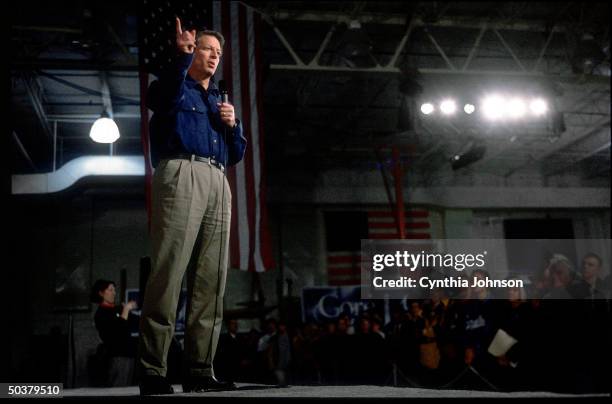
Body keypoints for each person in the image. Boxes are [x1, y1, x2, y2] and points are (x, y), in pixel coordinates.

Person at [138, 17, 247, 396]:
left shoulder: (219, 99)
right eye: (207, 49)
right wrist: (180, 58)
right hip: (181, 171)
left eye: (219, 52)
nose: (215, 56)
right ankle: (153, 371)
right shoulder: (173, 86)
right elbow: (161, 98)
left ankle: (200, 371)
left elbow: (235, 154)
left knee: (211, 281)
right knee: (169, 273)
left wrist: (233, 127)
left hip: (218, 179)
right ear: (192, 50)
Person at [90, 279, 138, 387]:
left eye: (114, 290)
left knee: (128, 389)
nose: (114, 293)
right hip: (117, 356)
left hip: (129, 355)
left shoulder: (118, 308)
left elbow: (136, 321)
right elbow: (118, 331)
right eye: (110, 290)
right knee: (118, 389)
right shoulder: (101, 314)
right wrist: (126, 310)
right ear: (101, 293)